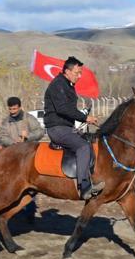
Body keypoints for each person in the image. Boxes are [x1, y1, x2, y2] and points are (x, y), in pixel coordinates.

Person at [44, 56, 104, 200]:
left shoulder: (67, 85)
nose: (79, 76)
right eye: (77, 72)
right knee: (83, 147)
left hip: (66, 128)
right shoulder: (58, 85)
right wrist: (85, 118)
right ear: (67, 71)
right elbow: (63, 109)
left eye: (80, 73)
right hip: (57, 129)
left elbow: (69, 110)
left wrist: (83, 116)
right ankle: (84, 186)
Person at [0, 96, 44, 221]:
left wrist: (28, 136)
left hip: (29, 157)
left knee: (30, 185)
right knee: (12, 185)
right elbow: (2, 137)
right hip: (13, 158)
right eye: (11, 109)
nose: (13, 111)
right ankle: (11, 209)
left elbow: (40, 131)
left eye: (15, 109)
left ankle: (29, 211)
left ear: (20, 107)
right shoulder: (6, 122)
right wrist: (13, 143)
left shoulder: (28, 119)